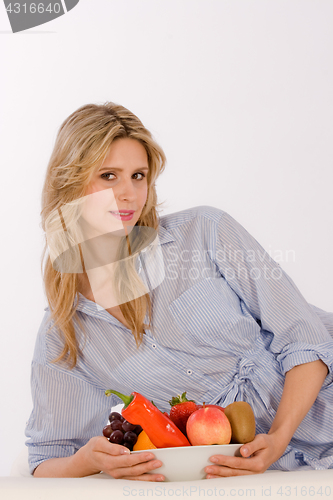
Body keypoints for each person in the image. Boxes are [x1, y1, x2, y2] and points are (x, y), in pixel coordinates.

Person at [25, 102, 333, 481]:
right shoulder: (64, 336)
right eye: (108, 175)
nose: (128, 194)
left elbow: (307, 339)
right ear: (70, 184)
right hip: (283, 474)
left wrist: (280, 435)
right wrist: (88, 460)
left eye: (138, 176)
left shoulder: (205, 232)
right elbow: (45, 458)